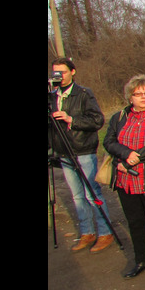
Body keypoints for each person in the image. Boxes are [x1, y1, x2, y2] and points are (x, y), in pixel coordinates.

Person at [102, 75, 145, 278]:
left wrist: (132, 159)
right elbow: (108, 141)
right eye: (138, 94)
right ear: (129, 97)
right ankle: (141, 259)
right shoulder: (119, 117)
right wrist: (126, 155)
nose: (143, 98)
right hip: (126, 179)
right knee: (134, 221)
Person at [48, 57, 114, 253]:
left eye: (63, 73)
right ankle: (87, 232)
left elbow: (97, 120)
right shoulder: (52, 96)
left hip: (83, 149)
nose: (59, 77)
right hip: (63, 151)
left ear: (73, 72)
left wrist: (71, 119)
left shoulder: (84, 94)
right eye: (55, 73)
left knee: (91, 193)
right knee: (77, 196)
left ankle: (105, 232)